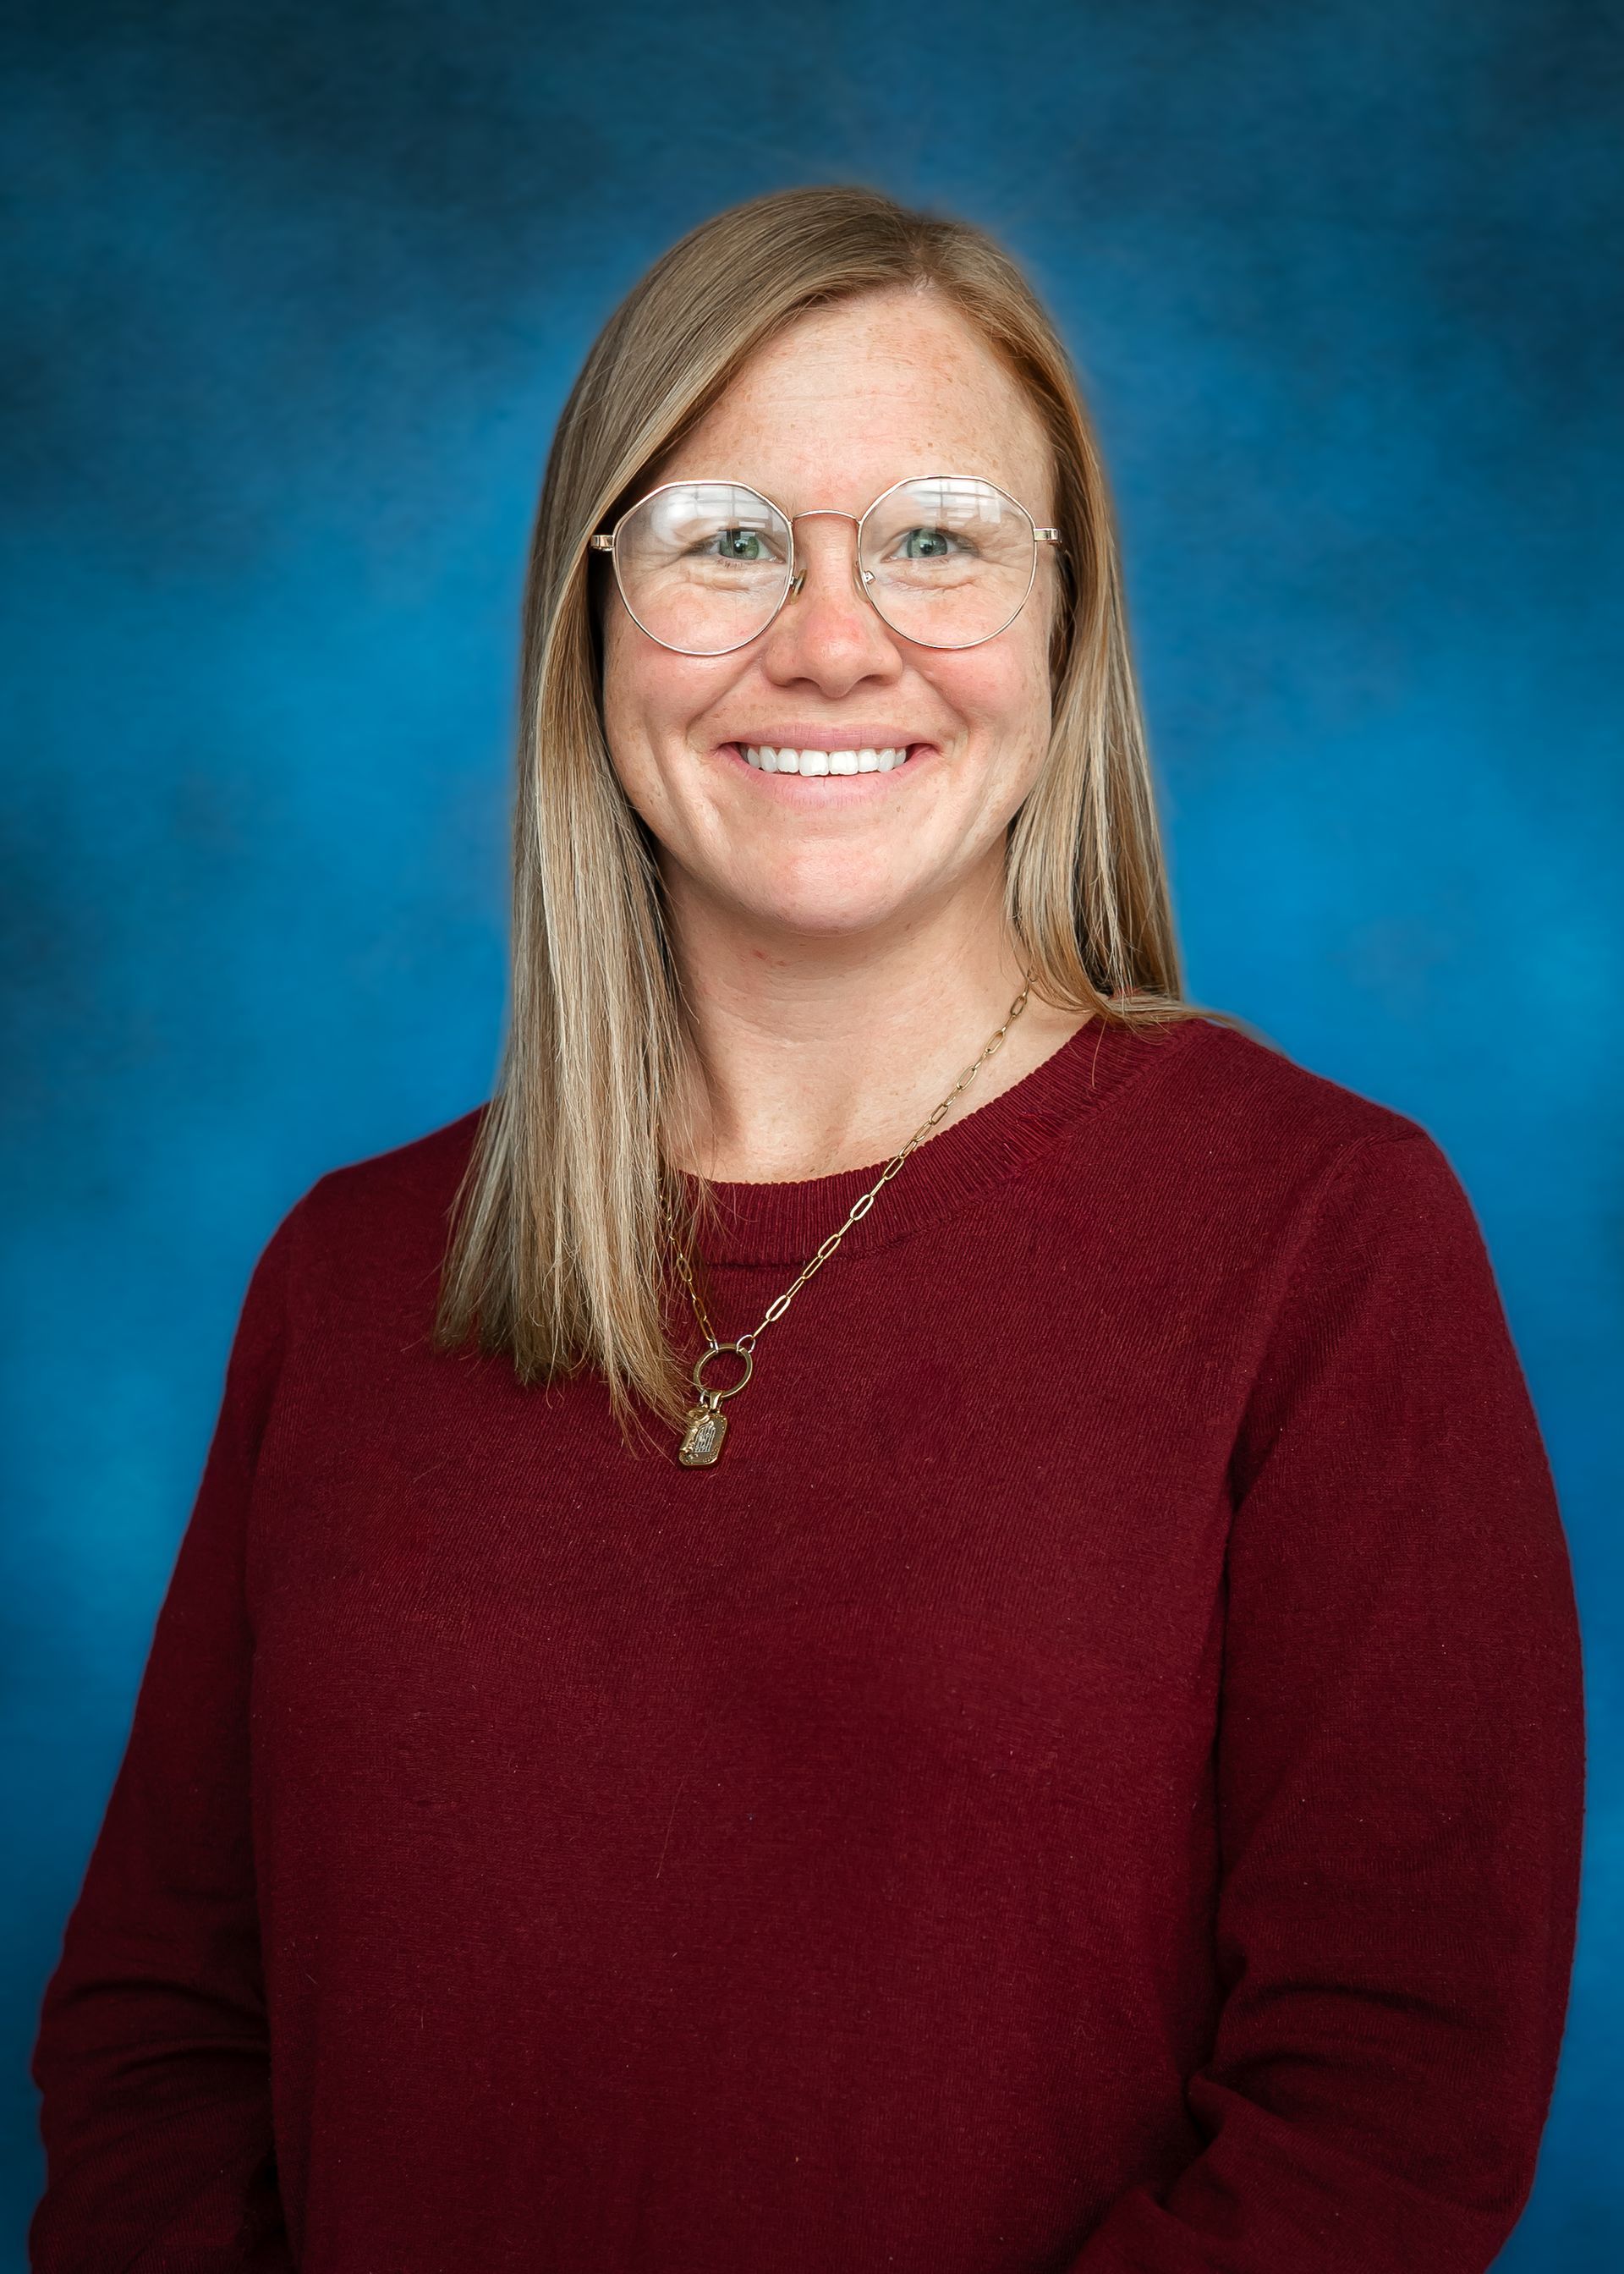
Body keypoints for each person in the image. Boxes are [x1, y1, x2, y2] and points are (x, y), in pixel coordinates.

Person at [29, 185, 1584, 2274]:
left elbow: (1387, 2112)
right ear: (592, 624)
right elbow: (159, 2043)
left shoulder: (1322, 1232)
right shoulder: (348, 1275)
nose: (832, 637)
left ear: (1066, 622)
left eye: (938, 537)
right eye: (724, 539)